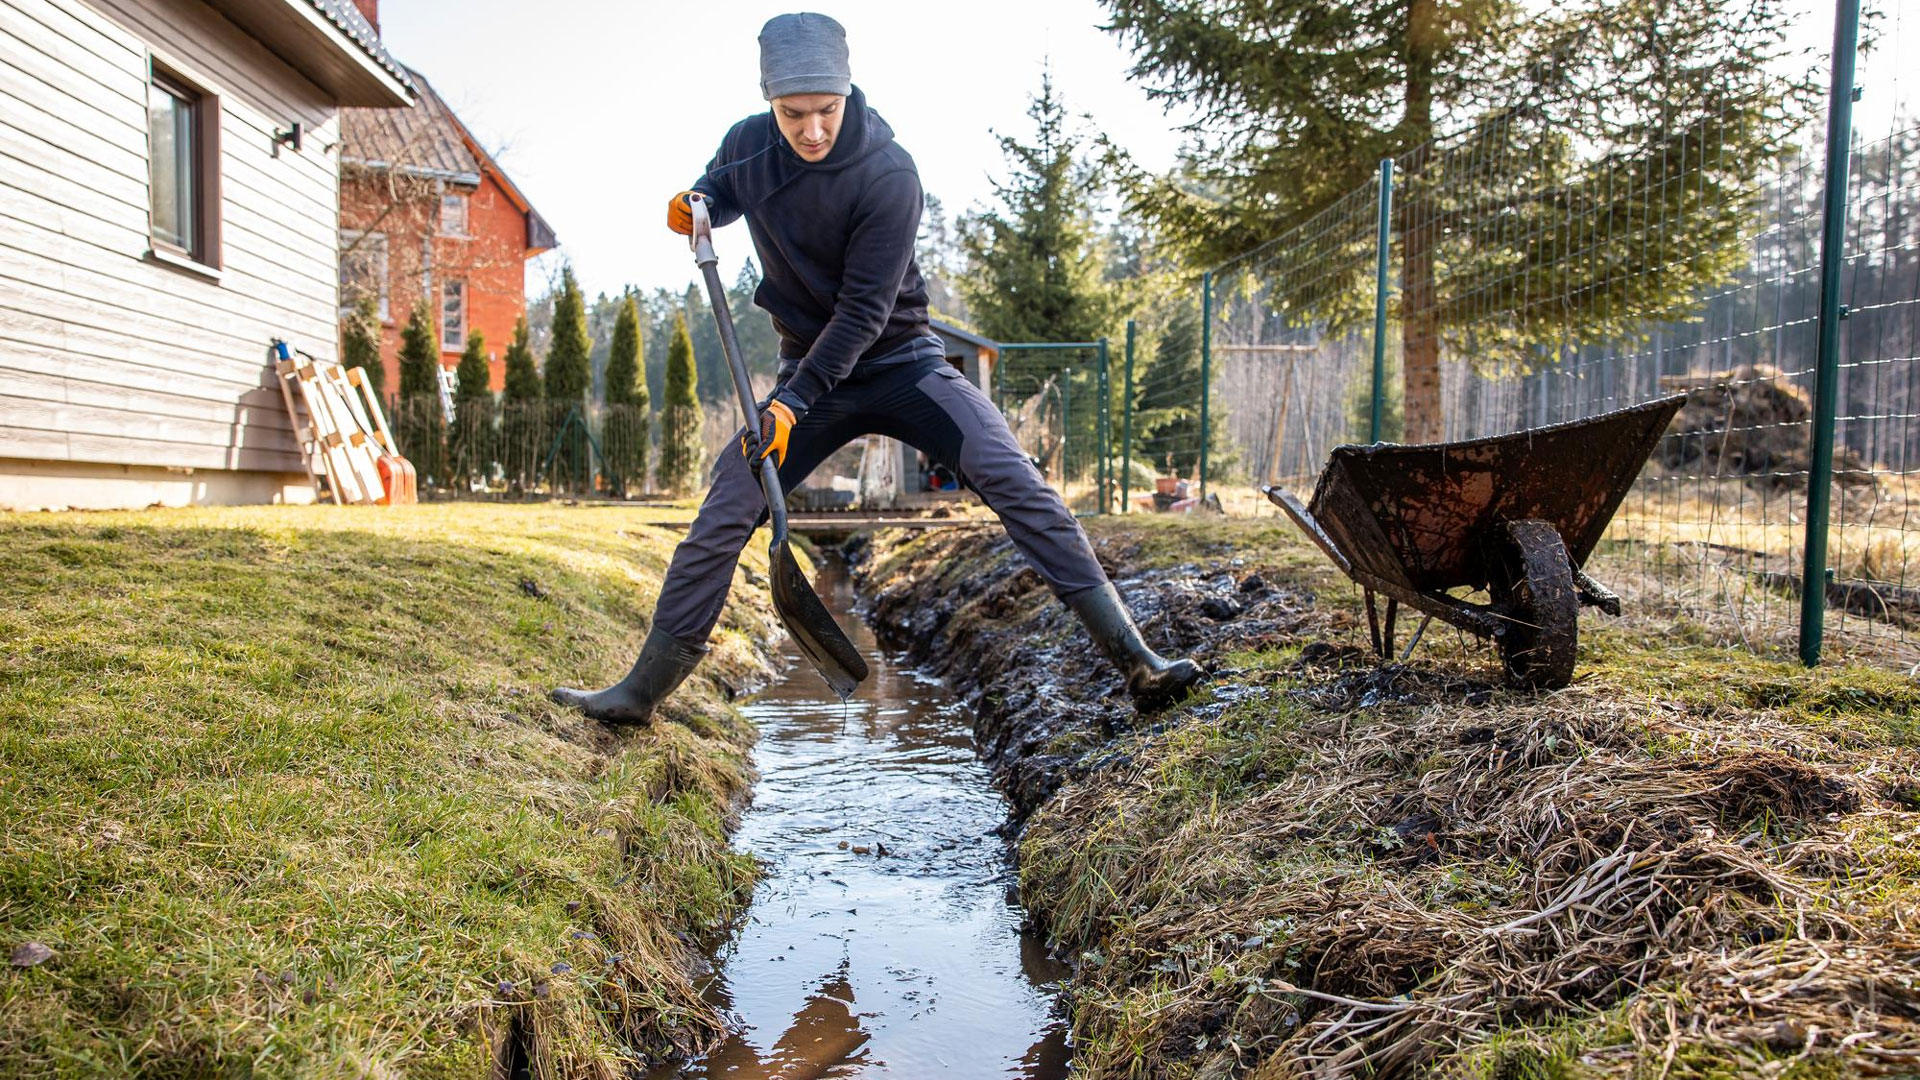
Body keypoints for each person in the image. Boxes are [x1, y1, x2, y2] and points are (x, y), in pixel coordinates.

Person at [550, 12, 1203, 726]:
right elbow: (720, 189)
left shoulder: (888, 173)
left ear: (847, 92)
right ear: (768, 100)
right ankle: (639, 695)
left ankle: (1138, 661)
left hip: (902, 364)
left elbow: (862, 316)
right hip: (810, 375)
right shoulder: (748, 143)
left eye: (825, 111)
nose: (811, 130)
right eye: (792, 114)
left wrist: (789, 405)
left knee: (1015, 480)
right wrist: (696, 204)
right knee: (727, 506)